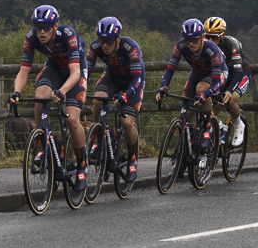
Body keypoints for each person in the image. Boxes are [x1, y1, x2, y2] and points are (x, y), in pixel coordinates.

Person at [9, 5, 89, 193]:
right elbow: (24, 70)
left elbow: (76, 72)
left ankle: (82, 167)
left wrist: (62, 91)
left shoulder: (68, 34)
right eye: (38, 28)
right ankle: (42, 144)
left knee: (71, 118)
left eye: (46, 27)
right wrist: (16, 92)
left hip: (75, 71)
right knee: (40, 98)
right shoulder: (31, 38)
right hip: (53, 67)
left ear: (55, 26)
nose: (42, 32)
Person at [156, 19, 229, 165]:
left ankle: (207, 125)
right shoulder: (180, 45)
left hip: (216, 74)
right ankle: (185, 146)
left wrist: (205, 95)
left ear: (202, 36)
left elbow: (215, 83)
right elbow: (170, 68)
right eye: (188, 40)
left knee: (201, 89)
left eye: (195, 40)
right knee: (185, 114)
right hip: (197, 73)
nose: (191, 44)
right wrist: (164, 86)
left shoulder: (212, 50)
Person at [85, 16, 143, 182]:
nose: (105, 45)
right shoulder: (95, 47)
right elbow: (85, 73)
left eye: (109, 41)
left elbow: (137, 78)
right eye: (102, 41)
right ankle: (100, 137)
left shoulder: (130, 47)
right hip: (112, 77)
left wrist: (126, 95)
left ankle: (132, 159)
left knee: (126, 123)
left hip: (133, 81)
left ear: (118, 38)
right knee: (97, 99)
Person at [202, 16, 248, 148]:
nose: (210, 40)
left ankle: (238, 123)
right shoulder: (204, 46)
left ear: (222, 36)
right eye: (207, 36)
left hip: (240, 73)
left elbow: (238, 72)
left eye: (214, 37)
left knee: (230, 99)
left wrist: (229, 90)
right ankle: (217, 127)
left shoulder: (232, 44)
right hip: (223, 73)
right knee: (210, 99)